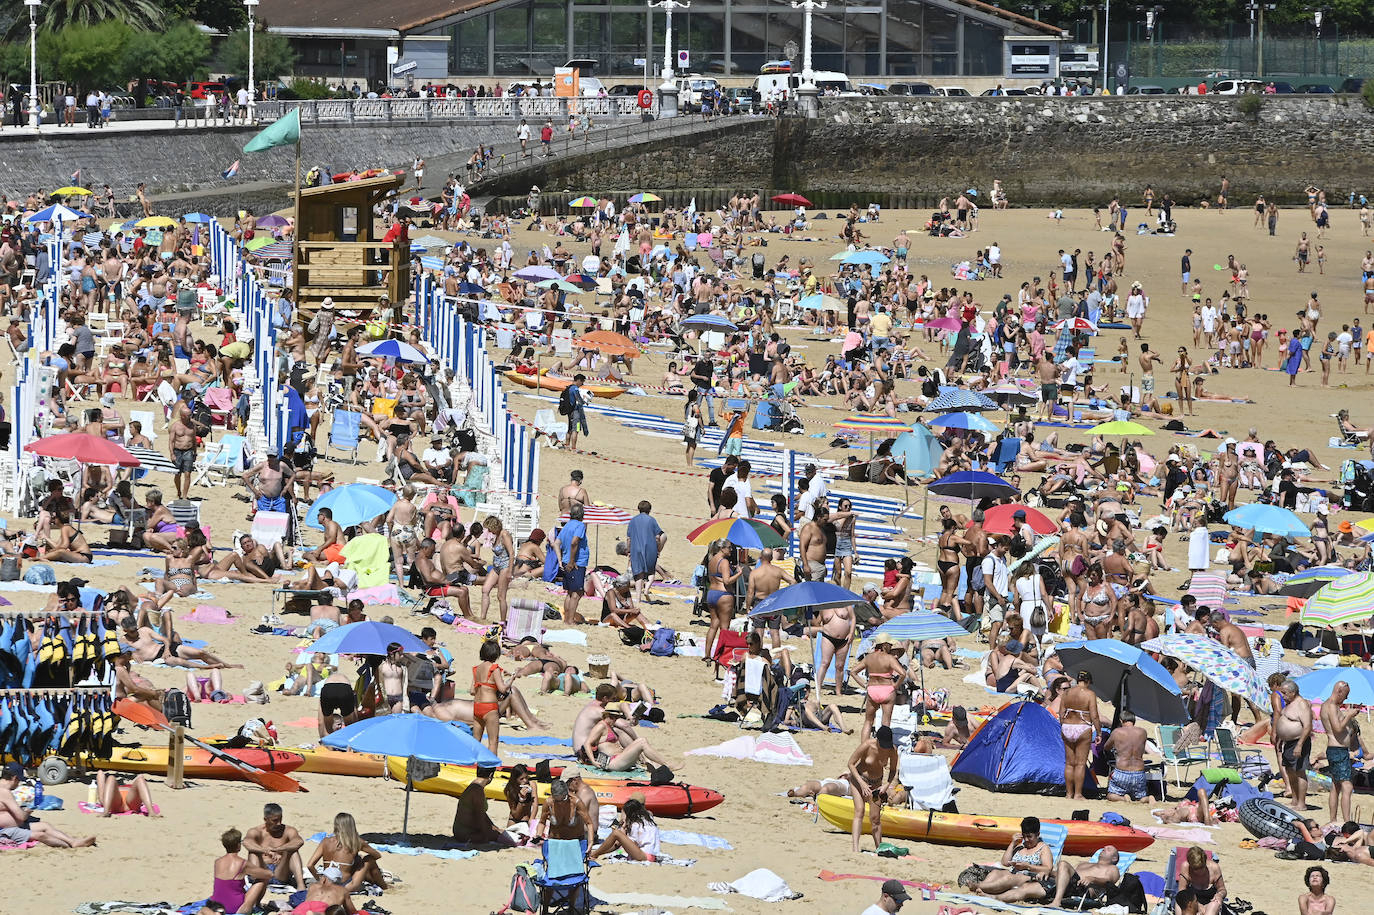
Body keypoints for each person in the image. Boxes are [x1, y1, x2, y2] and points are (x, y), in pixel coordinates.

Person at [0, 762, 96, 848]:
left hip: (10, 828)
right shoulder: (4, 792)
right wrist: (27, 811)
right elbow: (21, 817)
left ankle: (73, 841)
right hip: (5, 831)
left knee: (45, 826)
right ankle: (71, 845)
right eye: (19, 781)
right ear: (14, 778)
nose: (18, 784)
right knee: (41, 835)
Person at [968, 816, 1055, 903]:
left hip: (1030, 877)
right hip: (1014, 873)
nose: (1026, 840)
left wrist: (1028, 866)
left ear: (1038, 834)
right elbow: (1005, 862)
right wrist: (1013, 843)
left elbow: (1048, 868)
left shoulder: (1043, 848)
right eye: (1024, 836)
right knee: (996, 872)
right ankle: (982, 888)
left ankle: (979, 886)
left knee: (1009, 878)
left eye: (1029, 836)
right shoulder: (1021, 846)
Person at [846, 725, 900, 853]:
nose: (885, 748)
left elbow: (893, 770)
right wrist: (861, 783)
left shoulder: (892, 750)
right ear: (877, 740)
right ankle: (855, 849)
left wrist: (886, 785)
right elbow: (851, 763)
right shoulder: (868, 745)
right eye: (883, 745)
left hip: (877, 784)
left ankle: (879, 848)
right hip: (859, 780)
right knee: (859, 810)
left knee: (875, 818)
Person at [307, 812, 386, 891]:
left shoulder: (325, 841)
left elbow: (310, 865)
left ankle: (373, 880)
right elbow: (377, 855)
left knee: (356, 860)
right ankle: (384, 886)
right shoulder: (356, 842)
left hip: (327, 884)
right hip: (346, 886)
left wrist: (319, 879)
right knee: (369, 859)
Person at [1320, 679, 1359, 824]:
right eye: (1346, 695)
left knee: (1336, 786)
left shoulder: (1332, 706)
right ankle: (1347, 823)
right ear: (1339, 691)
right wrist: (1348, 715)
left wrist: (1349, 715)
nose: (1346, 698)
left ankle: (1333, 820)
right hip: (1337, 750)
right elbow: (1337, 729)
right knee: (1347, 786)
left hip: (1337, 749)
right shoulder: (1330, 706)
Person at [242, 803, 306, 890]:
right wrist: (265, 851)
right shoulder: (257, 831)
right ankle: (255, 884)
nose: (279, 823)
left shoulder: (288, 830)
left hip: (280, 873)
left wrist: (278, 849)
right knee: (253, 852)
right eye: (275, 820)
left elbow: (299, 842)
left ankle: (301, 886)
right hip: (261, 872)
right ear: (265, 819)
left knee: (293, 851)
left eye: (280, 819)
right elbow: (246, 842)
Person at [451, 766, 518, 846]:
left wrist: (495, 828)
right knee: (505, 838)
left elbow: (481, 814)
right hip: (465, 833)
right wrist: (486, 835)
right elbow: (479, 817)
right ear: (490, 775)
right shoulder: (477, 791)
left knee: (500, 832)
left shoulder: (474, 786)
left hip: (463, 830)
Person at [211, 827, 271, 915]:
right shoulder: (243, 863)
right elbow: (268, 874)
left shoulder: (217, 862)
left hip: (216, 906)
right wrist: (264, 861)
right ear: (238, 845)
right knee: (262, 879)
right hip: (235, 908)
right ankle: (256, 905)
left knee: (233, 886)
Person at [1274, 679, 1314, 812]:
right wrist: (1280, 739)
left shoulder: (1302, 704)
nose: (1283, 696)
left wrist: (1300, 745)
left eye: (1285, 693)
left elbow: (1308, 726)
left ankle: (1302, 803)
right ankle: (1295, 800)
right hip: (1288, 743)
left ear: (1293, 692)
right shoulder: (1289, 703)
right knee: (1290, 771)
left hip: (1298, 742)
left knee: (1299, 772)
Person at [1061, 669, 1101, 801]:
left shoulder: (1066, 693)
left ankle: (1068, 794)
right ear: (1088, 681)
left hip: (1067, 726)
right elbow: (1094, 716)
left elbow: (1061, 714)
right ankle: (1077, 794)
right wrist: (1099, 732)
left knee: (1069, 763)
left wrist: (1065, 725)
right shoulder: (1090, 694)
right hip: (1082, 727)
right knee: (1080, 764)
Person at [1046, 846, 1123, 908]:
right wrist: (1048, 873)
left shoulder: (1113, 868)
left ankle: (1056, 901)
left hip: (1084, 890)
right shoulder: (1084, 864)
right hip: (1065, 886)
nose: (1104, 849)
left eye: (1108, 849)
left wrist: (1092, 879)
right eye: (1104, 848)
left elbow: (1109, 882)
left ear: (1114, 858)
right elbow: (1064, 874)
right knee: (1037, 887)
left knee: (1063, 863)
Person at [589, 796, 660, 862]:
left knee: (616, 833)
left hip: (644, 856)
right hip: (651, 855)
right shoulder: (646, 820)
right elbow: (618, 845)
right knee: (617, 835)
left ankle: (594, 854)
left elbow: (619, 844)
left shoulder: (636, 825)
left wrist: (623, 829)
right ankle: (595, 853)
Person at [471, 639, 509, 754]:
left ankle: (472, 765)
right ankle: (490, 768)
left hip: (477, 706)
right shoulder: (494, 668)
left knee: (476, 740)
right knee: (493, 741)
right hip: (489, 707)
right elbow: (503, 689)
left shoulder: (477, 669)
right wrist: (512, 678)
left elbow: (472, 691)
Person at [1103, 710, 1149, 801]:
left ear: (1121, 720)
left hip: (1122, 773)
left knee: (1110, 795)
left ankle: (1123, 799)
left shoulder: (1117, 732)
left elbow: (1106, 747)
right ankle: (1147, 799)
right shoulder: (1143, 732)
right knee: (1141, 797)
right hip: (1139, 774)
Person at [626, 500, 665, 605]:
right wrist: (658, 548)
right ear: (649, 510)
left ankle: (638, 598)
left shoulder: (633, 520)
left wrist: (628, 550)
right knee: (651, 571)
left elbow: (629, 538)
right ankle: (647, 588)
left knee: (638, 574)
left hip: (636, 548)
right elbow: (658, 536)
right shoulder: (652, 520)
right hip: (650, 548)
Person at [557, 504, 589, 624]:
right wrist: (572, 560)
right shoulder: (580, 525)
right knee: (577, 593)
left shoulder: (567, 525)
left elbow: (557, 543)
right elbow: (574, 542)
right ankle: (569, 620)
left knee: (570, 593)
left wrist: (562, 559)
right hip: (576, 562)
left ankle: (567, 619)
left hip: (566, 560)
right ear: (582, 515)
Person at [1177, 845, 1225, 915]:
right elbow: (1182, 892)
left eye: (1202, 867)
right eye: (1195, 869)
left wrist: (1220, 895)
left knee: (1215, 904)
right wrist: (1198, 906)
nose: (1199, 872)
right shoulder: (1185, 867)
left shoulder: (1214, 868)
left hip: (1210, 903)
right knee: (1179, 903)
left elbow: (1222, 889)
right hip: (1192, 903)